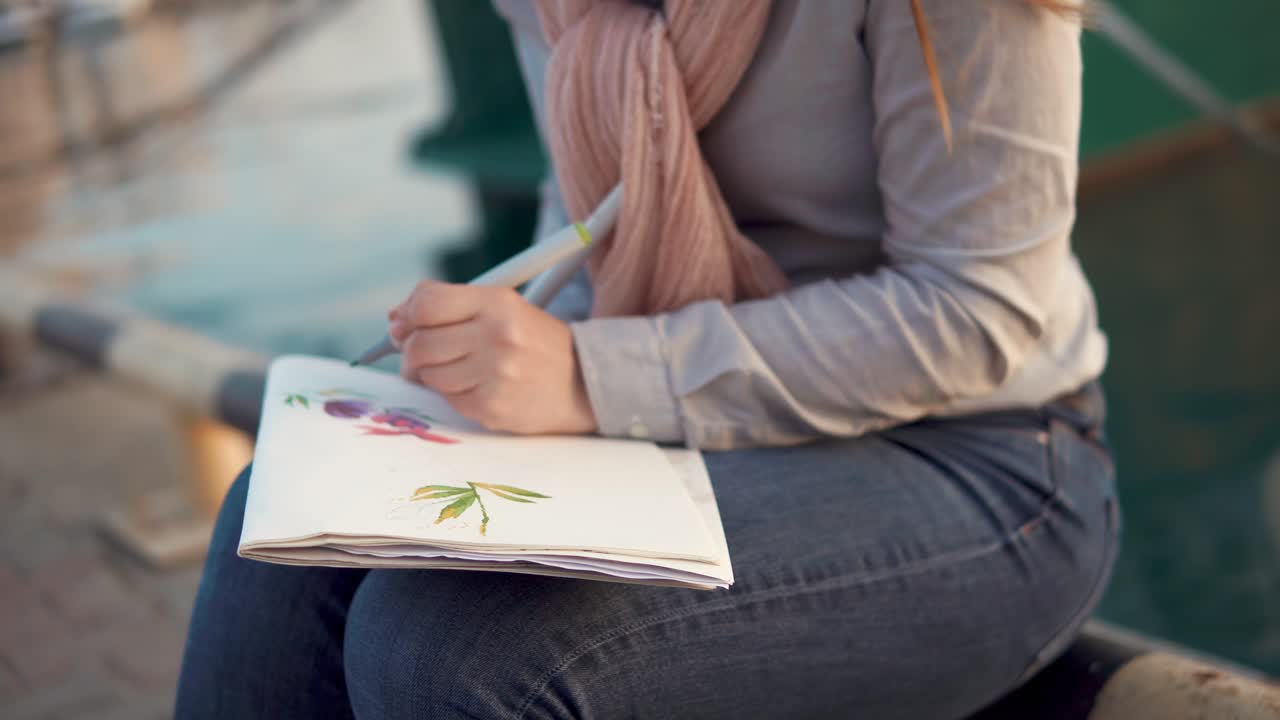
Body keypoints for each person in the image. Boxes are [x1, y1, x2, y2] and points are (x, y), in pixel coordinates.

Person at [176, 1, 1119, 717]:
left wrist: (589, 375)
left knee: (442, 650)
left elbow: (979, 310)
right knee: (279, 529)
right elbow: (584, 217)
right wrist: (500, 352)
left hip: (981, 460)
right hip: (702, 436)